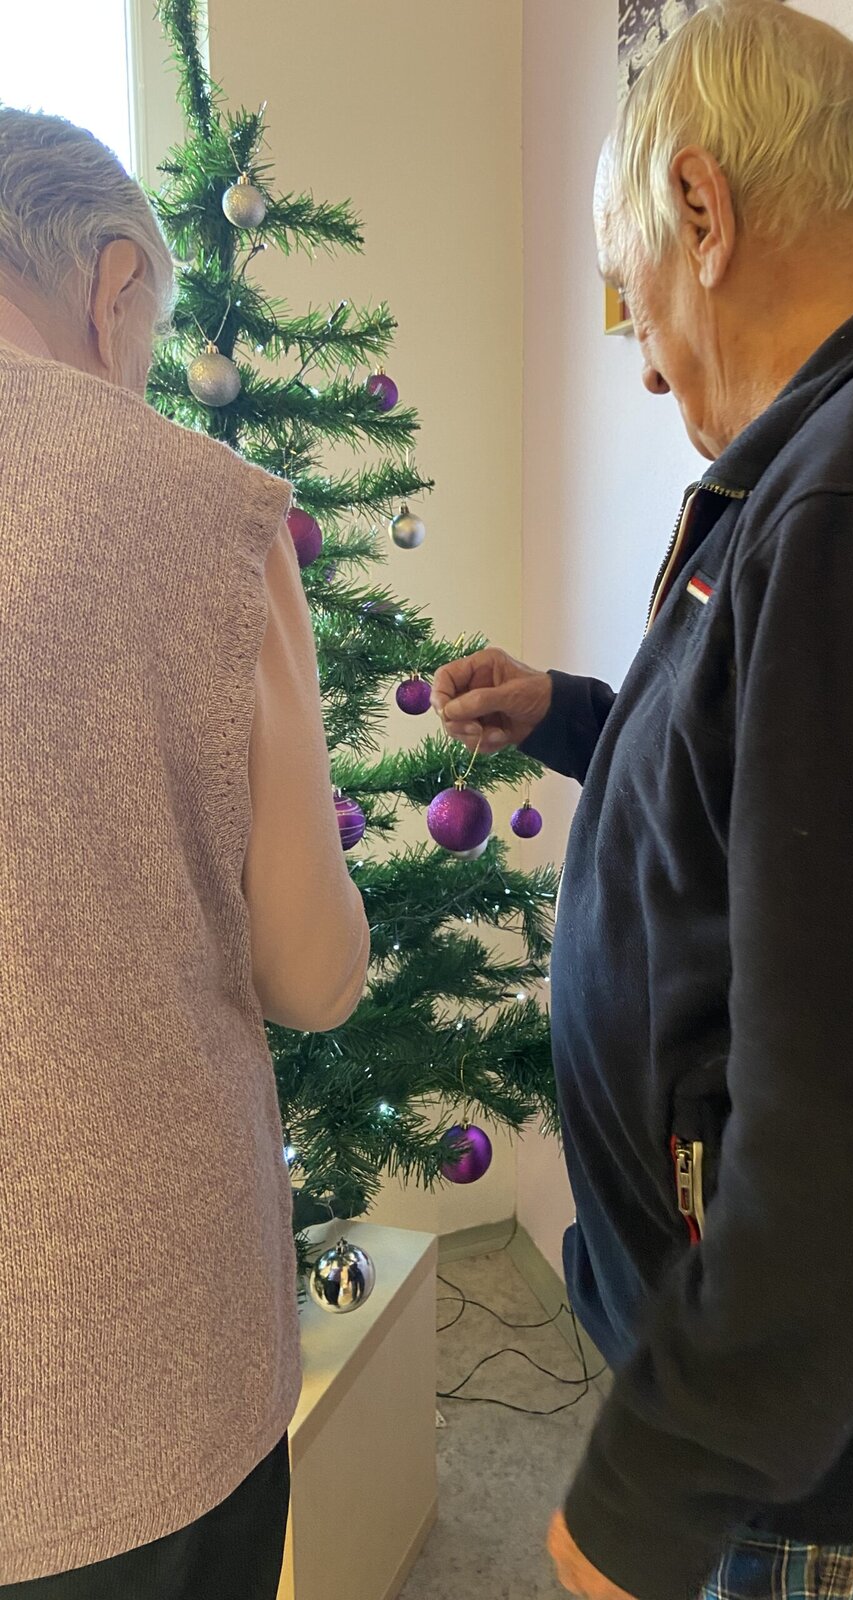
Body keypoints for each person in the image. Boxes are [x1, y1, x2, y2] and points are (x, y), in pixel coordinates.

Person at [433, 4, 853, 1599]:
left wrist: (661, 1479)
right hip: (819, 1414)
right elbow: (772, 798)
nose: (643, 349)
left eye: (633, 290)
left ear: (702, 209)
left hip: (819, 1465)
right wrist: (575, 716)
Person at [0, 109, 370, 1597]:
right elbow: (313, 972)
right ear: (111, 283)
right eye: (149, 333)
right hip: (141, 1376)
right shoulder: (206, 513)